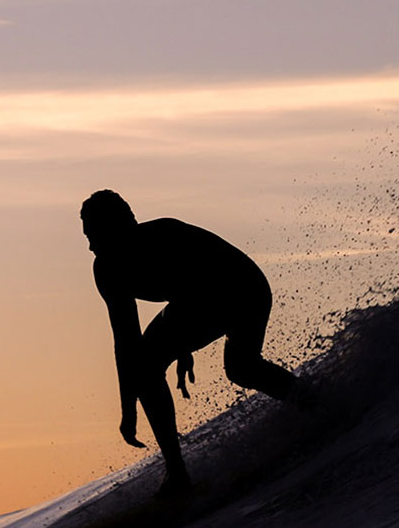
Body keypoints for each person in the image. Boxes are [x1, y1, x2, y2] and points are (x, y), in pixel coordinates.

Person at [81, 190, 298, 497]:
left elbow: (201, 287)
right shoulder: (106, 270)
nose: (90, 246)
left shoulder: (164, 235)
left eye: (95, 236)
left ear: (120, 227)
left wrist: (182, 347)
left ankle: (314, 401)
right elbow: (126, 343)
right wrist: (128, 408)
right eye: (87, 237)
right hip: (196, 302)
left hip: (242, 286)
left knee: (242, 368)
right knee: (151, 365)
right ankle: (178, 473)